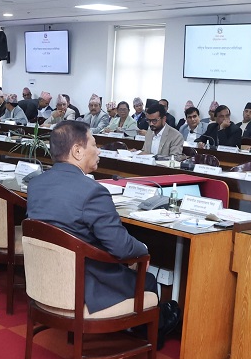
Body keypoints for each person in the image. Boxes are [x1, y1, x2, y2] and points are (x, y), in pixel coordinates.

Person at [25, 121, 158, 314]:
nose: (99, 151)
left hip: (46, 279)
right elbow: (121, 247)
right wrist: (143, 249)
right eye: (94, 145)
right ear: (77, 151)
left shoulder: (36, 184)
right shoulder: (93, 191)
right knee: (148, 280)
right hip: (84, 285)